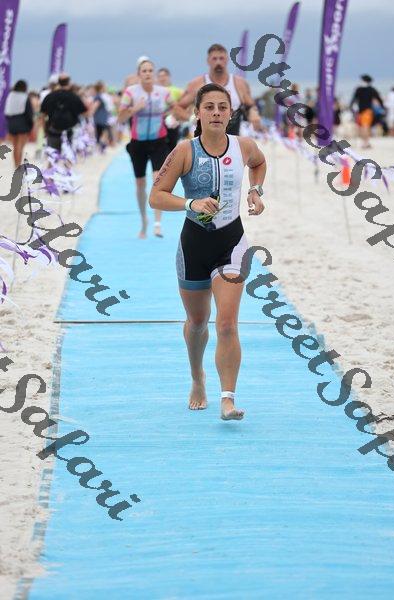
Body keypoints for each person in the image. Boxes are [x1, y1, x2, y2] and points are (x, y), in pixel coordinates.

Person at [149, 83, 266, 421]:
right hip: (194, 244)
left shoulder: (244, 146)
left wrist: (256, 191)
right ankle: (197, 377)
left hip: (232, 242)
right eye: (209, 107)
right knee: (198, 322)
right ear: (197, 113)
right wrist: (190, 203)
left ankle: (227, 399)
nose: (216, 113)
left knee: (226, 324)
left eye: (222, 107)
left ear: (231, 113)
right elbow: (156, 196)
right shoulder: (185, 151)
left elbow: (259, 163)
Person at [118, 58, 172, 238]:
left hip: (158, 142)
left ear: (153, 74)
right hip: (138, 143)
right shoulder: (130, 92)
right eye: (144, 71)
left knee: (158, 180)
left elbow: (175, 109)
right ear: (139, 74)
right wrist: (135, 108)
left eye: (150, 70)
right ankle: (143, 221)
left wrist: (175, 117)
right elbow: (120, 118)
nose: (148, 73)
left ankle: (158, 223)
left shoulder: (163, 92)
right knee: (140, 183)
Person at [176, 43, 263, 135]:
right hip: (204, 138)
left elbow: (251, 106)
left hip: (232, 137)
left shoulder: (239, 84)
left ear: (227, 60)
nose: (218, 62)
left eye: (221, 58)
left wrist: (253, 113)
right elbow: (177, 108)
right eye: (214, 59)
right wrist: (192, 119)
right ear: (208, 61)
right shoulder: (197, 84)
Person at [40, 73, 87, 151]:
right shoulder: (74, 97)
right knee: (69, 154)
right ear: (69, 82)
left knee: (53, 154)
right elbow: (84, 113)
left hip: (54, 129)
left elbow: (42, 115)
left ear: (58, 82)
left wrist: (45, 130)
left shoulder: (50, 96)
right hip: (70, 130)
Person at [4, 80, 33, 167]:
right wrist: (30, 125)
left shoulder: (10, 96)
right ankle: (18, 165)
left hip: (12, 123)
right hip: (22, 123)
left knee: (15, 146)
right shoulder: (25, 97)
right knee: (20, 146)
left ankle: (15, 164)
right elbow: (29, 113)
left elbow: (6, 111)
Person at [350, 74, 384, 149]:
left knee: (363, 126)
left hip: (362, 111)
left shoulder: (359, 89)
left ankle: (365, 142)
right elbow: (379, 99)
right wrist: (382, 107)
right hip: (367, 110)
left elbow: (353, 99)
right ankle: (366, 143)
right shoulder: (371, 89)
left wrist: (351, 107)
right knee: (365, 126)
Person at [157, 67, 183, 152]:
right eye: (160, 76)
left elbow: (184, 105)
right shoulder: (155, 91)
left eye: (164, 76)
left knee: (172, 147)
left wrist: (177, 116)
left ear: (168, 77)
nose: (162, 78)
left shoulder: (176, 90)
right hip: (158, 123)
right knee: (160, 148)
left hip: (172, 122)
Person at [92, 81, 113, 148]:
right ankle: (101, 147)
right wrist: (90, 114)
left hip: (101, 118)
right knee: (102, 133)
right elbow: (95, 106)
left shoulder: (100, 96)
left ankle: (101, 147)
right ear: (101, 88)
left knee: (101, 133)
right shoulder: (98, 97)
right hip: (100, 118)